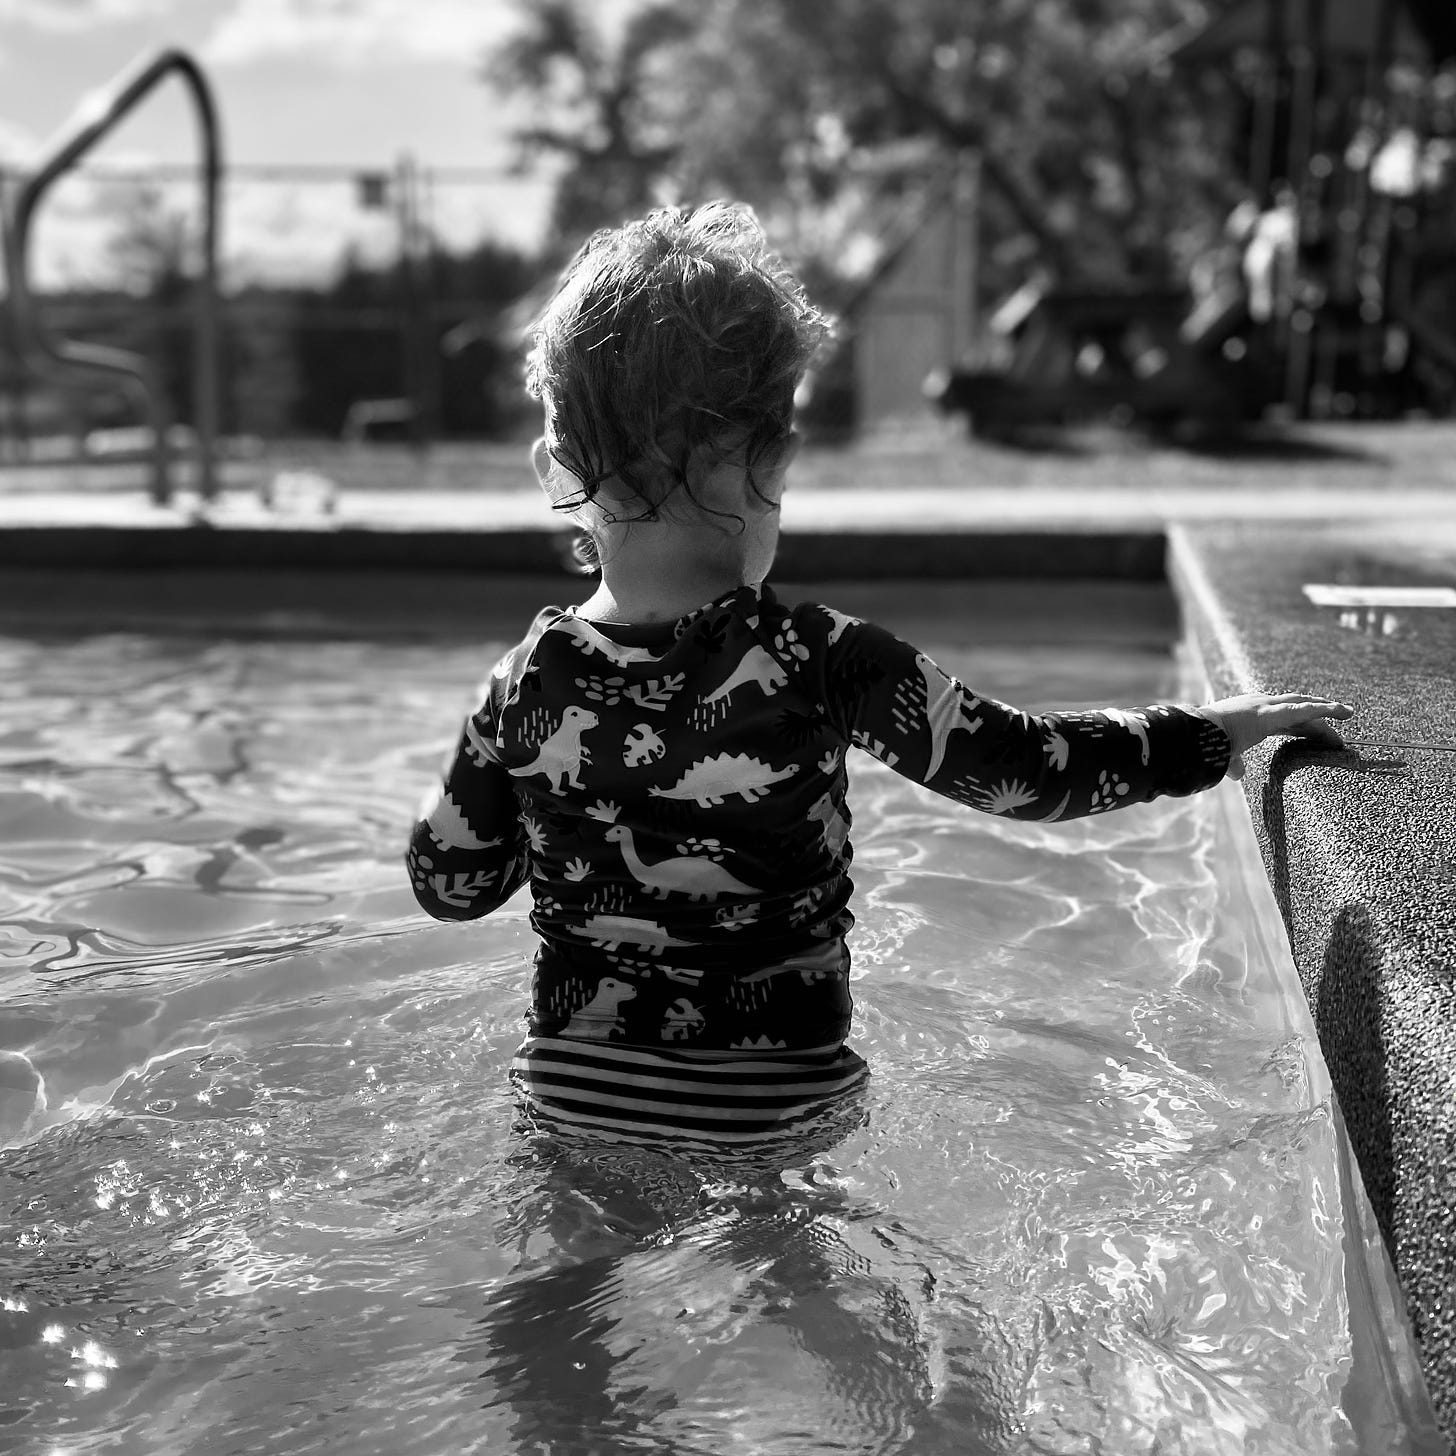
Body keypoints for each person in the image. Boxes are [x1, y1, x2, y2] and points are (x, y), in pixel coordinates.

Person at [406, 201, 1351, 1147]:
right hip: (773, 1101)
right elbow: (1030, 772)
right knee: (792, 1289)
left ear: (553, 471)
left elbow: (449, 884)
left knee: (564, 1293)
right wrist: (1208, 736)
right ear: (777, 460)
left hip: (572, 1096)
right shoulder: (821, 658)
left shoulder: (523, 681)